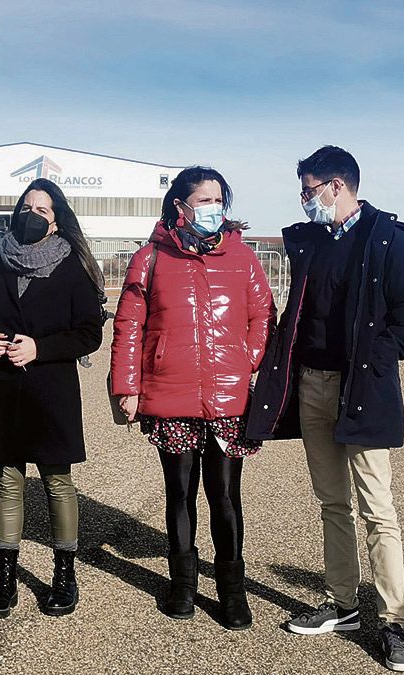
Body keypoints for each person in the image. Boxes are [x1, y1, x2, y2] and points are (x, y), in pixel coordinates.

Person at [245, 146, 404, 672]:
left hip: (363, 389)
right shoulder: (308, 243)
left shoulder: (389, 240)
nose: (304, 200)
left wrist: (377, 355)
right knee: (332, 503)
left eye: (308, 189)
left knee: (378, 509)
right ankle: (342, 604)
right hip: (312, 386)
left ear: (336, 186)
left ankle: (393, 621)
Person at [109, 166, 275, 630]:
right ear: (179, 205)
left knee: (224, 494)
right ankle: (181, 581)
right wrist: (127, 386)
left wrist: (248, 358)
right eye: (203, 200)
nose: (213, 208)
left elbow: (264, 311)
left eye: (218, 199)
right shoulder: (150, 257)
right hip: (170, 390)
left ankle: (232, 589)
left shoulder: (242, 255)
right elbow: (128, 326)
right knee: (179, 492)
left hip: (228, 397)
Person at [0, 178, 105, 619]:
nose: (32, 215)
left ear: (57, 218)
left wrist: (40, 348)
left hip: (51, 390)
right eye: (26, 206)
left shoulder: (73, 264)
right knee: (8, 482)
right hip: (1, 389)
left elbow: (89, 333)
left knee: (56, 482)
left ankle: (64, 576)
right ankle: (5, 581)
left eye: (43, 210)